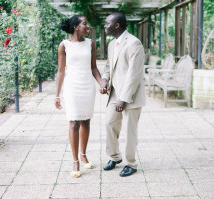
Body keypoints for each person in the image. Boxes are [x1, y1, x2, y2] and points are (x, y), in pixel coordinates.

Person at [55, 15, 102, 178]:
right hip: (72, 87)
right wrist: (57, 95)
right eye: (85, 24)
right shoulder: (64, 45)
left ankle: (83, 154)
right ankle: (75, 160)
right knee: (74, 122)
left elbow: (94, 68)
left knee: (86, 122)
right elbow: (61, 71)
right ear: (76, 27)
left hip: (87, 86)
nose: (87, 27)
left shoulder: (90, 43)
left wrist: (102, 82)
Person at [100, 12, 146, 177]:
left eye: (107, 24)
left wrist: (124, 98)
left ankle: (131, 164)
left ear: (116, 25)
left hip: (130, 95)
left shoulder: (134, 43)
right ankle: (115, 157)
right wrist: (104, 79)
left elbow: (134, 74)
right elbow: (108, 65)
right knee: (110, 123)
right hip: (114, 93)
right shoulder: (113, 44)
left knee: (129, 130)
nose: (105, 26)